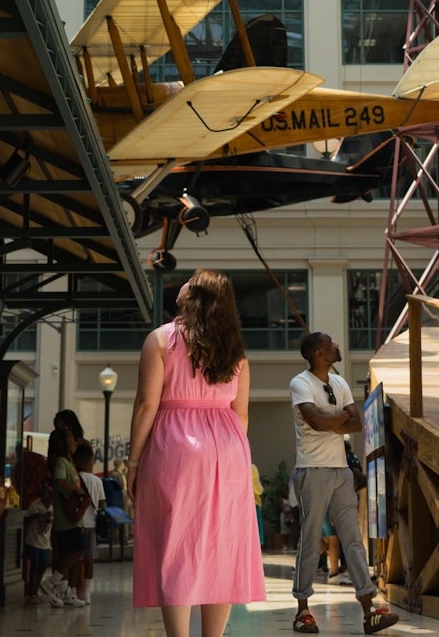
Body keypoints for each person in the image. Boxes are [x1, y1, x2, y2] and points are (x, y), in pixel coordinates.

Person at [127, 269, 264, 637]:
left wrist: (134, 462)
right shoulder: (236, 352)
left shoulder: (160, 341)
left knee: (177, 543)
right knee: (220, 546)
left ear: (194, 296)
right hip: (229, 447)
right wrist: (228, 454)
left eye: (188, 281)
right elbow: (242, 413)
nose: (182, 283)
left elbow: (145, 405)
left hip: (175, 446)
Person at [288, 332, 399, 634]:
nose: (337, 344)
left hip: (341, 472)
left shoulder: (339, 382)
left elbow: (357, 422)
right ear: (317, 352)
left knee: (352, 540)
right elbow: (319, 422)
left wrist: (329, 419)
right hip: (312, 471)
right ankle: (302, 610)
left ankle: (368, 610)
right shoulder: (300, 383)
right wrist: (336, 418)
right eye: (330, 343)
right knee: (310, 540)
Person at [41, 429, 87, 608]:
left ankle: (65, 590)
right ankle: (50, 583)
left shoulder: (69, 462)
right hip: (67, 517)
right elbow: (59, 481)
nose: (73, 441)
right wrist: (77, 491)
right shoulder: (61, 462)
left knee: (74, 552)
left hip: (73, 516)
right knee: (76, 550)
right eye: (69, 438)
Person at [71, 444, 106, 604]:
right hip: (91, 524)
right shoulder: (97, 481)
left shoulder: (75, 477)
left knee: (76, 558)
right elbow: (102, 504)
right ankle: (87, 593)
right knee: (89, 559)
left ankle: (71, 590)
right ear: (91, 461)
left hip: (76, 523)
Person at [21, 488, 54, 604]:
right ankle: (32, 593)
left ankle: (36, 588)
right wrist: (35, 516)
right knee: (34, 566)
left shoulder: (54, 507)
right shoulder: (35, 505)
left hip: (45, 542)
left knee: (43, 566)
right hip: (33, 540)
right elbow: (25, 520)